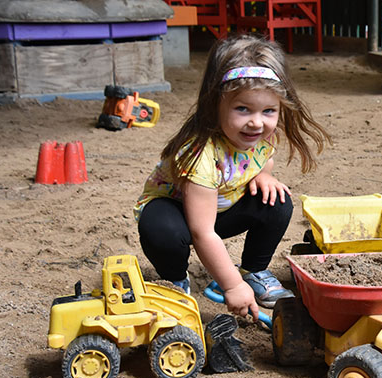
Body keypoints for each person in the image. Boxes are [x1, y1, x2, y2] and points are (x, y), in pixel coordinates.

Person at [134, 34, 330, 321]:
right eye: (242, 109)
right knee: (162, 231)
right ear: (215, 106)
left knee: (277, 201)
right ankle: (175, 280)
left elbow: (265, 158)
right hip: (177, 212)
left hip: (222, 208)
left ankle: (253, 270)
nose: (256, 122)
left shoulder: (263, 136)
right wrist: (232, 286)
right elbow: (202, 232)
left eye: (268, 111)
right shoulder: (201, 153)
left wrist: (264, 175)